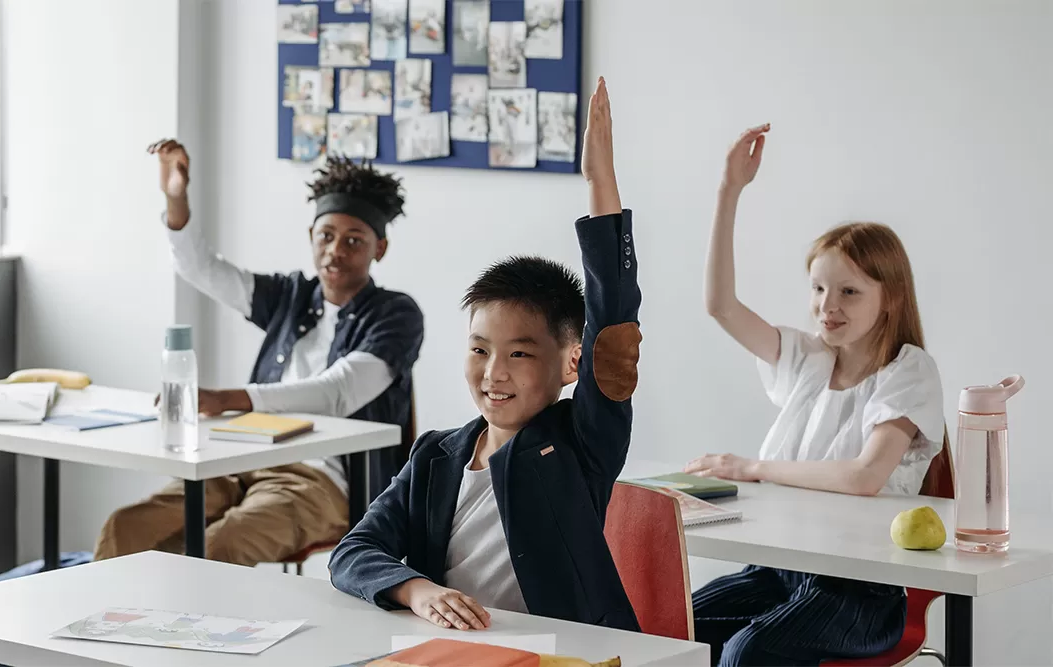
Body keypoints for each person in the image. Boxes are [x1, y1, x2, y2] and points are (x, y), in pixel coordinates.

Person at [329, 78, 642, 632]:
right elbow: (353, 552)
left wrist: (599, 182)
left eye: (520, 354)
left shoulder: (583, 443)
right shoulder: (434, 457)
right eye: (479, 349)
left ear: (572, 363)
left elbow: (612, 325)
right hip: (451, 650)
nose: (494, 373)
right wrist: (417, 590)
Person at [682, 124, 945, 666]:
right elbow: (720, 305)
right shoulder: (806, 358)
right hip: (776, 570)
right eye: (819, 288)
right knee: (664, 627)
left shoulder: (908, 371)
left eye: (849, 291)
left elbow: (864, 476)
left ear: (889, 297)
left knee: (747, 653)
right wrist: (728, 191)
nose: (828, 306)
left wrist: (753, 467)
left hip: (859, 590)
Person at [90, 142, 424, 568]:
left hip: (324, 481)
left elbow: (339, 393)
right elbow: (202, 269)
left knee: (222, 545)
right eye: (326, 236)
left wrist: (231, 399)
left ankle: (188, 632)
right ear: (311, 237)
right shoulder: (291, 296)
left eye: (353, 240)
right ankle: (109, 630)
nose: (335, 251)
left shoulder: (396, 314)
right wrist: (176, 197)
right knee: (127, 526)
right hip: (241, 458)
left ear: (380, 248)